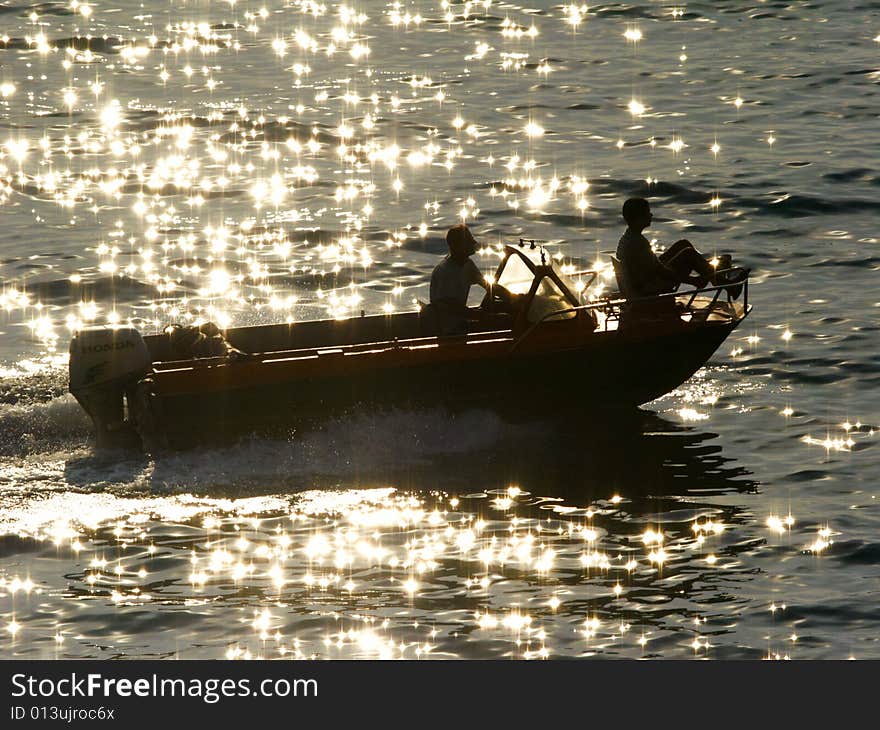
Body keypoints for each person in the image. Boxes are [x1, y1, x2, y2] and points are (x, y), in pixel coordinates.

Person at [616, 197, 724, 298]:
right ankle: (722, 281)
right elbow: (661, 271)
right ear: (638, 218)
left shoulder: (629, 237)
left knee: (683, 244)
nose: (651, 215)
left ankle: (714, 278)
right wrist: (692, 280)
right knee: (688, 253)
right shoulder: (638, 243)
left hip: (646, 278)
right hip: (649, 287)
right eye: (647, 213)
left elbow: (653, 265)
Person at [429, 224, 516, 335]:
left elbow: (487, 285)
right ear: (458, 246)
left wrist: (512, 297)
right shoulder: (445, 272)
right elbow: (449, 308)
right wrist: (480, 315)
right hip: (449, 331)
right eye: (469, 240)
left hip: (461, 321)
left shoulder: (467, 264)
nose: (474, 243)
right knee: (504, 322)